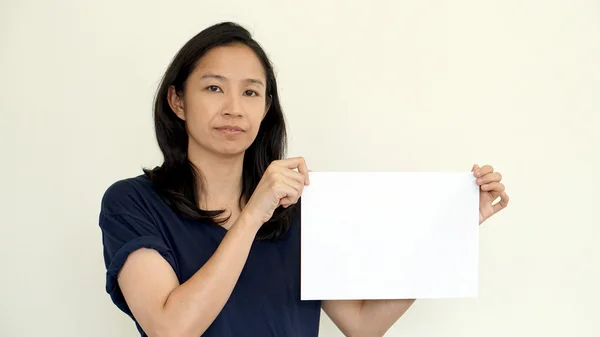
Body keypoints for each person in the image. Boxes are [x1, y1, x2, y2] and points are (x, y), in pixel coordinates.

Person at [98, 21, 510, 337]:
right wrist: (253, 214)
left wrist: (452, 229)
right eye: (213, 88)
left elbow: (363, 325)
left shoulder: (294, 209)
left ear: (266, 108)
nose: (233, 108)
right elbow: (171, 328)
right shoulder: (132, 204)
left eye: (251, 92)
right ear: (177, 101)